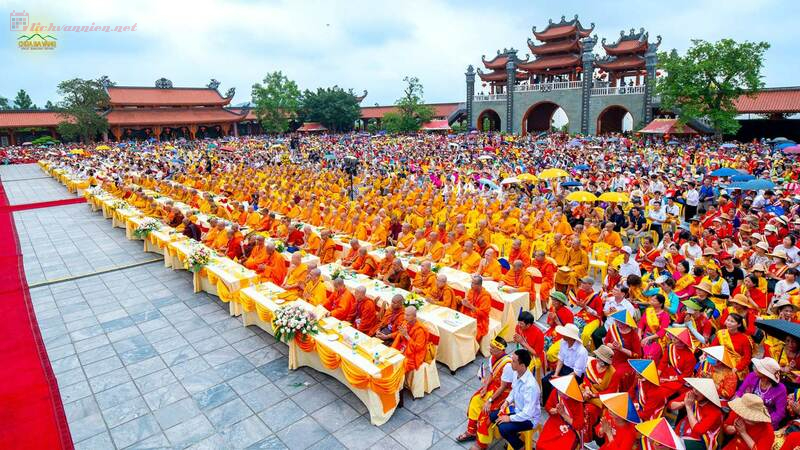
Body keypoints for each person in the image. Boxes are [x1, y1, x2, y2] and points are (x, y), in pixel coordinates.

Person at [457, 337, 513, 446]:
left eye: (492, 347)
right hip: (493, 387)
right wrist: (485, 387)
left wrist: (490, 400)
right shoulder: (492, 358)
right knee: (475, 400)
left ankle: (482, 444)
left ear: (500, 350)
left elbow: (503, 387)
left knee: (486, 413)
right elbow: (492, 374)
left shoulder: (508, 365)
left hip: (504, 393)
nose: (490, 349)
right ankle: (471, 431)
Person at [481, 349, 540, 450]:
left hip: (529, 418)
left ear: (522, 365)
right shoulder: (516, 373)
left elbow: (527, 413)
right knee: (493, 415)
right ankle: (483, 441)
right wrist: (507, 401)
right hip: (517, 410)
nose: (510, 362)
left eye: (513, 361)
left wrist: (509, 418)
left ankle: (521, 447)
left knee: (503, 428)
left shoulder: (531, 386)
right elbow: (513, 390)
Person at [670, 377, 724, 450]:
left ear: (707, 395)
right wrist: (684, 403)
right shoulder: (691, 395)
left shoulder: (715, 411)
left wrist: (688, 407)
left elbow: (698, 430)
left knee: (673, 445)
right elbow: (671, 405)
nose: (695, 391)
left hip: (701, 440)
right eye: (694, 387)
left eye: (699, 390)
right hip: (683, 430)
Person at [536, 373, 585, 450]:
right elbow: (548, 406)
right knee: (541, 445)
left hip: (570, 427)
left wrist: (563, 414)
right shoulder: (556, 392)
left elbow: (579, 425)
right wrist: (553, 410)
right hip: (555, 419)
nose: (558, 391)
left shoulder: (576, 402)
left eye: (561, 390)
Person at [734, 357, 787, 429]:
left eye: (759, 368)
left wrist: (762, 420)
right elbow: (740, 392)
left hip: (766, 420)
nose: (755, 368)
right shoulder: (752, 376)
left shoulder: (781, 389)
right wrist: (736, 404)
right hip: (747, 412)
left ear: (766, 375)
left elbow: (780, 413)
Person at [542, 323, 587, 404]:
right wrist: (556, 374)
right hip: (563, 368)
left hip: (573, 375)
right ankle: (547, 403)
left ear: (571, 337)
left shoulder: (581, 351)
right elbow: (561, 359)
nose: (562, 335)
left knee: (555, 387)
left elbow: (577, 372)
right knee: (545, 380)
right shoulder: (563, 342)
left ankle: (556, 405)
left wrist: (561, 379)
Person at [392, 306, 428, 374]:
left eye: (408, 315)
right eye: (405, 314)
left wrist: (406, 335)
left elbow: (418, 348)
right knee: (389, 358)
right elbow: (401, 339)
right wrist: (402, 335)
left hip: (413, 355)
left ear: (414, 316)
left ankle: (397, 382)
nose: (405, 317)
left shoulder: (420, 331)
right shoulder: (406, 323)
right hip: (403, 347)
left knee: (399, 367)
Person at [461, 275, 492, 343]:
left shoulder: (485, 296)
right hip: (469, 314)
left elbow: (484, 314)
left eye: (473, 283)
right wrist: (464, 302)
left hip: (480, 321)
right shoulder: (471, 290)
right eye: (471, 282)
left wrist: (470, 306)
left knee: (471, 335)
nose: (471, 285)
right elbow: (468, 301)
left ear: (479, 285)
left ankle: (472, 350)